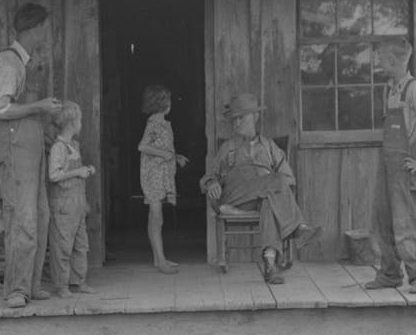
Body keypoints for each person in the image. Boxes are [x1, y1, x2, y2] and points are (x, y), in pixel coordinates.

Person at [200, 93, 320, 285]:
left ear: (255, 117)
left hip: (259, 200)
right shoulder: (227, 147)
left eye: (241, 117)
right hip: (234, 195)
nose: (236, 123)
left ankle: (270, 263)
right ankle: (297, 227)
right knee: (275, 182)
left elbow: (289, 180)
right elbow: (208, 176)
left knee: (269, 201)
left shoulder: (270, 147)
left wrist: (269, 185)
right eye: (234, 119)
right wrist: (211, 183)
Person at [0, 2, 63, 308]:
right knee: (23, 220)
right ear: (34, 28)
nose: (47, 33)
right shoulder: (9, 62)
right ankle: (16, 290)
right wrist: (40, 107)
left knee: (40, 217)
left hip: (31, 153)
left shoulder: (26, 62)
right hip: (16, 153)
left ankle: (31, 284)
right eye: (44, 27)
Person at [365, 37, 416, 294]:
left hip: (404, 166)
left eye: (382, 59)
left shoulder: (413, 89)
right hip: (387, 163)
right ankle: (389, 273)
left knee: (407, 221)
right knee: (383, 219)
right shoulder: (391, 89)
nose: (379, 63)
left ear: (394, 60)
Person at [137, 84, 188, 274]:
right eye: (168, 100)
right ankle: (161, 261)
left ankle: (159, 259)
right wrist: (164, 155)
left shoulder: (163, 123)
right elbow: (142, 146)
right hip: (153, 179)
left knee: (155, 219)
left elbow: (163, 149)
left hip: (160, 176)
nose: (171, 103)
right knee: (156, 219)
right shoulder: (154, 124)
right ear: (161, 103)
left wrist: (176, 157)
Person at [47, 101, 96, 297]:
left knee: (81, 244)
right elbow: (53, 175)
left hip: (77, 203)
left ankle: (79, 281)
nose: (81, 123)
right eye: (80, 120)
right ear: (72, 123)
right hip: (64, 203)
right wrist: (78, 171)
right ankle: (62, 286)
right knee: (63, 245)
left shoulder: (73, 145)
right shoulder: (59, 147)